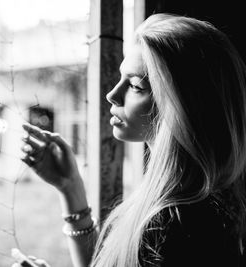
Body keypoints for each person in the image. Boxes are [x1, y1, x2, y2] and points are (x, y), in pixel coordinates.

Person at [14, 13, 246, 267]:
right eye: (120, 79)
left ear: (182, 105)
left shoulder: (177, 225)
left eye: (135, 86)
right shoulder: (186, 204)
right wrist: (70, 187)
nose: (112, 94)